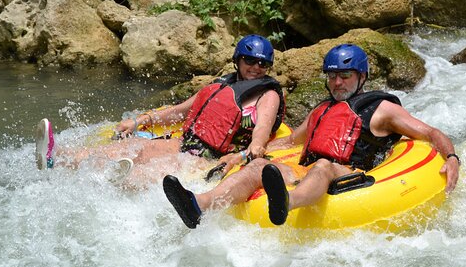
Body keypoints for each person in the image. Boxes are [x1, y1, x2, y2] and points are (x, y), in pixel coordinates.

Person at [163, 44, 460, 229]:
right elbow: (287, 143)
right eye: (332, 76)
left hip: (349, 172)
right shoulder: (321, 110)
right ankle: (197, 204)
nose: (337, 82)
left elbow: (431, 132)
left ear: (362, 77)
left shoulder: (381, 109)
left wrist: (451, 156)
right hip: (306, 171)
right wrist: (240, 154)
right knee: (259, 168)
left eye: (345, 76)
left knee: (323, 166)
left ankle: (287, 204)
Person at [35, 34, 285, 183]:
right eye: (250, 60)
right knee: (135, 150)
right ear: (238, 60)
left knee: (146, 172)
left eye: (262, 64)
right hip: (186, 143)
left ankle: (112, 186)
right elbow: (181, 110)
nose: (256, 67)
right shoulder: (223, 84)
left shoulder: (267, 95)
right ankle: (57, 156)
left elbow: (261, 130)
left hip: (210, 158)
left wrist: (252, 150)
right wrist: (138, 121)